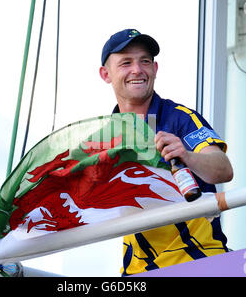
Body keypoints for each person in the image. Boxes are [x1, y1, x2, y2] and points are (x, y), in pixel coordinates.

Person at [99, 28, 234, 276]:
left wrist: (187, 155)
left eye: (145, 61)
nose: (137, 70)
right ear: (105, 74)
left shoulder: (180, 118)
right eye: (126, 63)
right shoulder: (104, 137)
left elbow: (223, 169)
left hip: (200, 264)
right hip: (137, 272)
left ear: (155, 69)